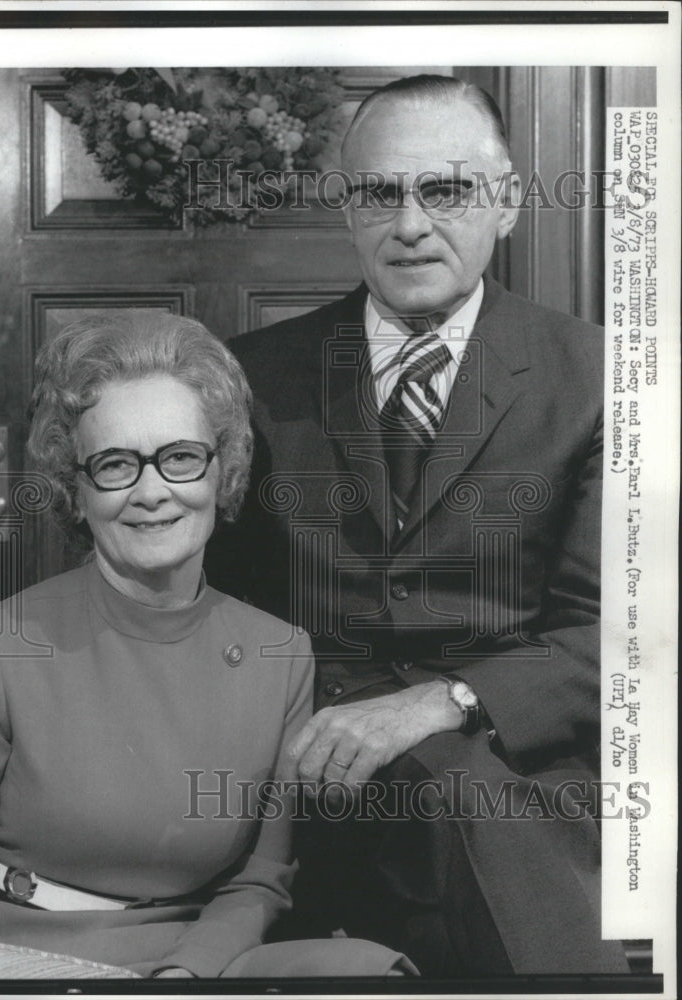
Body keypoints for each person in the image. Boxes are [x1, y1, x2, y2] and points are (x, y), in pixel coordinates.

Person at [206, 75, 630, 976]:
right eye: (378, 192)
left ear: (507, 203)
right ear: (346, 208)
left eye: (444, 190)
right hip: (313, 762)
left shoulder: (600, 377)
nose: (407, 224)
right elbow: (213, 600)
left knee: (465, 795)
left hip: (521, 762)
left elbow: (623, 633)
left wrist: (443, 702)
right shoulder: (255, 374)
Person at [0, 314, 414, 979]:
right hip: (32, 965)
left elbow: (259, 882)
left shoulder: (279, 652)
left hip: (200, 963)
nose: (152, 492)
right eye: (116, 464)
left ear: (220, 470)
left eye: (179, 457)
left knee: (368, 971)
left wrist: (184, 978)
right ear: (77, 487)